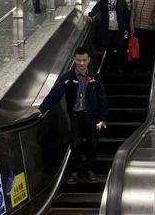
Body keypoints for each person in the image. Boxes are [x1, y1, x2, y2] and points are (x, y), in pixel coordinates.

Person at [38, 47, 108, 184]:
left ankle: (90, 171)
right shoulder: (68, 78)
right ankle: (75, 171)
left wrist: (102, 118)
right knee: (75, 145)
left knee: (93, 144)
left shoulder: (95, 78)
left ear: (89, 60)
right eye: (78, 60)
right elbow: (55, 94)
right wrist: (42, 108)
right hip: (77, 117)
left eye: (84, 60)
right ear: (74, 60)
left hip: (93, 118)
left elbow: (102, 98)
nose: (81, 63)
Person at [88, 0, 129, 73]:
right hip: (107, 29)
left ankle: (119, 66)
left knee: (120, 48)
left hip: (119, 29)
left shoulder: (122, 1)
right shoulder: (104, 1)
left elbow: (126, 15)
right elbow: (95, 8)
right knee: (109, 49)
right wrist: (90, 15)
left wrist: (126, 27)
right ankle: (109, 66)